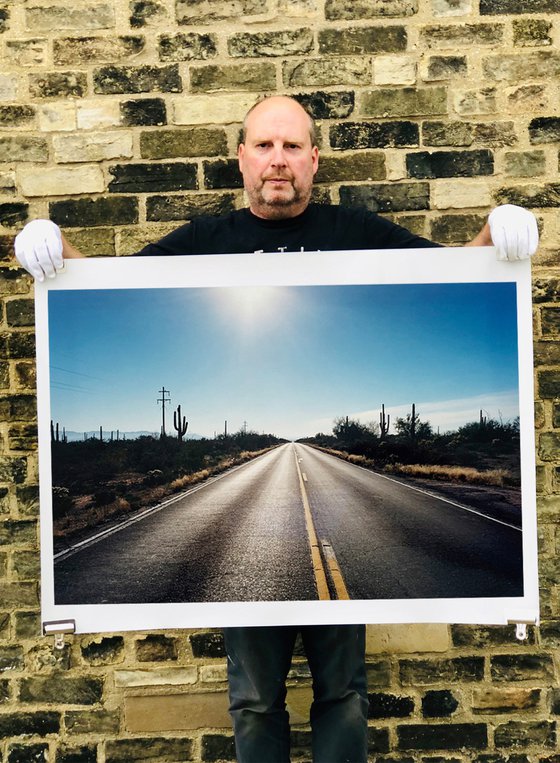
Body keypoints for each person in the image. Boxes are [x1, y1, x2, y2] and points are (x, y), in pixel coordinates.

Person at [15, 95, 538, 763]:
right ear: (241, 158)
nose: (278, 160)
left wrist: (497, 237)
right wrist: (54, 248)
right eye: (264, 145)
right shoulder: (204, 243)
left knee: (343, 689)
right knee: (255, 696)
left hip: (335, 625)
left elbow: (457, 272)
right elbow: (97, 290)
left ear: (314, 159)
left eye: (292, 146)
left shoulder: (358, 231)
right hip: (252, 607)